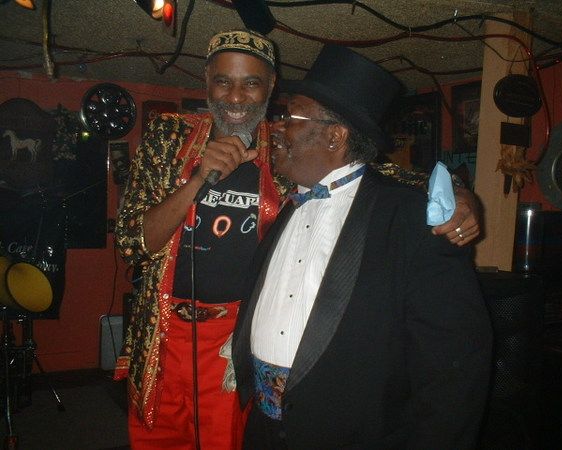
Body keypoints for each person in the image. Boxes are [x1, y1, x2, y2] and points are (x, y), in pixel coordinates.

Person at [114, 29, 480, 449]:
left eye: (252, 83)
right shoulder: (168, 137)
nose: (236, 97)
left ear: (270, 87)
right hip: (162, 333)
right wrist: (196, 181)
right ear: (207, 81)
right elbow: (131, 243)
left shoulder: (284, 148)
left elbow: (370, 168)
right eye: (223, 81)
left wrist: (457, 192)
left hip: (233, 341)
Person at [232, 44, 493, 450]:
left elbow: (454, 370)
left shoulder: (413, 219)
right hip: (263, 430)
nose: (276, 127)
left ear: (335, 136)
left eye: (291, 116)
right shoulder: (286, 204)